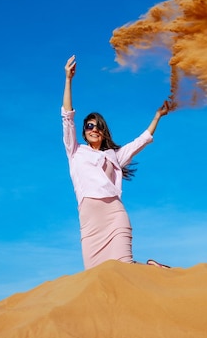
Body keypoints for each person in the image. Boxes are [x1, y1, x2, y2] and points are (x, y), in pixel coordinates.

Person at [61, 55, 171, 270]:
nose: (94, 129)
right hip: (90, 222)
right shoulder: (75, 151)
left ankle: (153, 270)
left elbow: (140, 142)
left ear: (103, 132)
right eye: (90, 126)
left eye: (98, 126)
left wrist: (157, 116)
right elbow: (67, 117)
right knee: (95, 274)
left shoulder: (113, 155)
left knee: (124, 267)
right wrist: (68, 79)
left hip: (114, 214)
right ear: (84, 132)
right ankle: (151, 269)